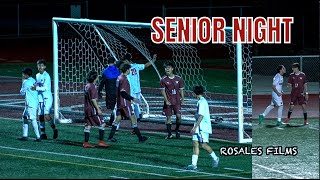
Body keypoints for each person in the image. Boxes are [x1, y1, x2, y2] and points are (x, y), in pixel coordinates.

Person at [106, 63, 148, 143]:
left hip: (119, 102)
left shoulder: (119, 77)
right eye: (129, 69)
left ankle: (110, 137)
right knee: (133, 118)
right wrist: (132, 99)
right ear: (127, 70)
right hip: (125, 103)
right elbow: (123, 92)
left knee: (117, 118)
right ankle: (140, 137)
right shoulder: (124, 79)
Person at [186, 85, 219, 170]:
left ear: (195, 93)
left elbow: (201, 116)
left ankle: (215, 158)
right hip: (198, 125)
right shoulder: (200, 101)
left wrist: (195, 127)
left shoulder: (202, 102)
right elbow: (198, 114)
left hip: (203, 126)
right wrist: (188, 110)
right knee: (195, 143)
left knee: (203, 145)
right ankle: (194, 164)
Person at [121, 53, 157, 122]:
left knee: (132, 104)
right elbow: (146, 65)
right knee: (136, 103)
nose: (123, 62)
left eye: (124, 61)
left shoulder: (126, 68)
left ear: (127, 60)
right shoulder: (136, 66)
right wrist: (153, 60)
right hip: (137, 89)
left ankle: (134, 117)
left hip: (131, 89)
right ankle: (138, 116)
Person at [83, 71, 110, 148]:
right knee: (102, 123)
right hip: (92, 109)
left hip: (87, 108)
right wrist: (97, 108)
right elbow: (93, 99)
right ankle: (101, 141)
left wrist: (97, 106)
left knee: (88, 125)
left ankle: (86, 143)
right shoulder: (93, 87)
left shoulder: (87, 85)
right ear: (95, 78)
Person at [32, 59, 58, 140]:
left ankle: (54, 129)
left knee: (46, 115)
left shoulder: (47, 76)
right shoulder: (37, 75)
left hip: (47, 97)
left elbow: (45, 88)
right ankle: (43, 133)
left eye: (41, 65)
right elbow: (37, 85)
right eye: (38, 65)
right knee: (40, 116)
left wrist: (36, 88)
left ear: (45, 67)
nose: (40, 67)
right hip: (40, 98)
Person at [160, 61, 185, 139]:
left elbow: (181, 90)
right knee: (168, 117)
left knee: (178, 117)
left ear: (172, 69)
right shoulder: (163, 79)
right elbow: (163, 91)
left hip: (177, 101)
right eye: (165, 68)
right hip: (169, 101)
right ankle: (169, 134)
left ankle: (177, 130)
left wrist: (183, 99)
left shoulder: (179, 78)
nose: (167, 69)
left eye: (168, 68)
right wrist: (166, 100)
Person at [18, 68, 41, 142]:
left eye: (23, 73)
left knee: (33, 119)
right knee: (25, 117)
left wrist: (23, 82)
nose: (22, 75)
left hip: (30, 104)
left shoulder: (26, 82)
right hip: (33, 103)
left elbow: (22, 93)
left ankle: (38, 137)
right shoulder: (33, 80)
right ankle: (25, 135)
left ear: (26, 74)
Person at [98, 57, 121, 128]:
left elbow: (102, 83)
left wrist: (99, 91)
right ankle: (113, 120)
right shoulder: (118, 71)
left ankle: (113, 122)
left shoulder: (105, 71)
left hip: (110, 92)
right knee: (116, 106)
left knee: (112, 107)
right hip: (118, 91)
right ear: (114, 62)